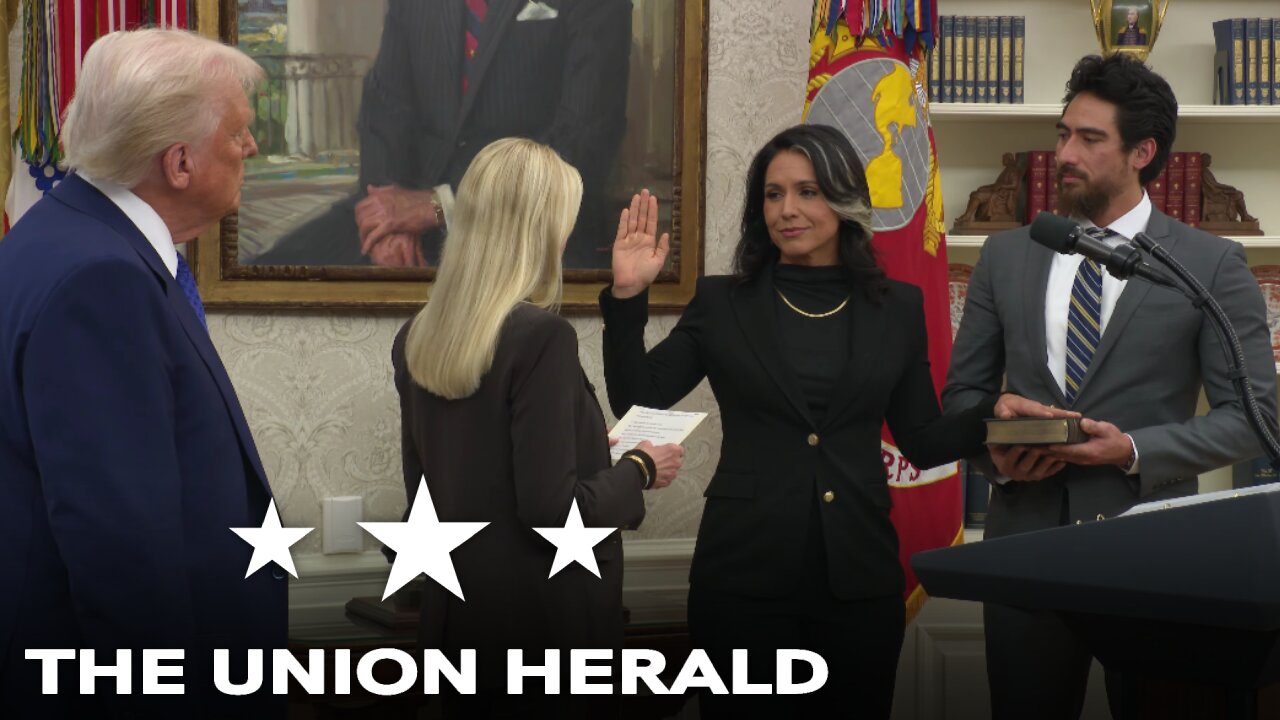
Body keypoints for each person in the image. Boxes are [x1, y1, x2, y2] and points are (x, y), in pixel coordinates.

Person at [598, 124, 1061, 718]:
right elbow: (640, 400)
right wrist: (629, 296)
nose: (787, 210)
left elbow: (920, 439)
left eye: (808, 191)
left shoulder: (896, 306)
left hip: (859, 580)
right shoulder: (722, 302)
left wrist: (991, 416)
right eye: (772, 194)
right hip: (743, 578)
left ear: (843, 200)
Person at [943, 53, 1277, 720]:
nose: (1065, 152)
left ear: (1142, 152)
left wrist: (1130, 449)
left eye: (1089, 139)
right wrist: (993, 442)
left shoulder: (1210, 263)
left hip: (1152, 550)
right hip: (1024, 546)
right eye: (1064, 133)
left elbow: (1253, 418)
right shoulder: (1005, 256)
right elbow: (960, 402)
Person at [0, 29, 283, 716]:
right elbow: (121, 554)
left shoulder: (59, 237)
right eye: (238, 133)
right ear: (180, 162)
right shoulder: (101, 279)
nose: (250, 148)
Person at [391, 137, 684, 718]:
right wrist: (641, 468)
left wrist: (582, 448)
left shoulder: (416, 336)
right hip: (547, 631)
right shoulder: (541, 336)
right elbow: (553, 512)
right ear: (539, 230)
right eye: (564, 223)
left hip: (460, 624)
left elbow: (429, 494)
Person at [254, 0, 632, 270]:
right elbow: (385, 110)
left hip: (525, 225)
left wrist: (443, 204)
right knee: (273, 270)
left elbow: (585, 139)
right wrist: (386, 222)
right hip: (406, 206)